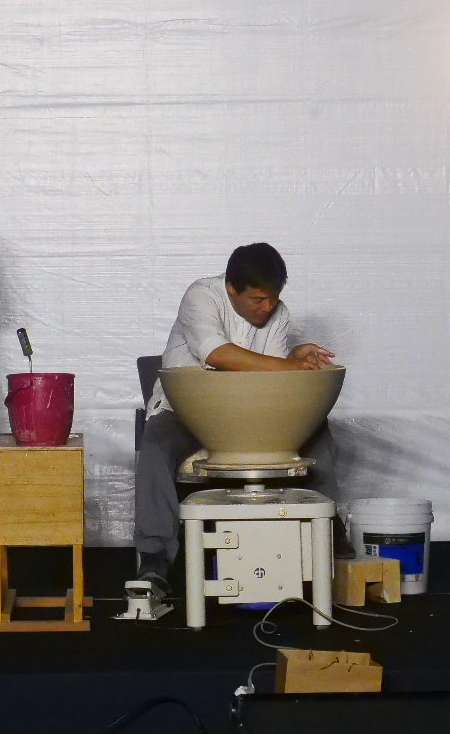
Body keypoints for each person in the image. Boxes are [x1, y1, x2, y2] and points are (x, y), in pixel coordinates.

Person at [132, 243, 335, 594]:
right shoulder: (201, 296)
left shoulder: (278, 313)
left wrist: (291, 360)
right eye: (258, 299)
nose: (267, 307)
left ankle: (329, 536)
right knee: (155, 444)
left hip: (248, 414)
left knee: (318, 430)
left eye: (273, 297)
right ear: (230, 288)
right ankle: (155, 558)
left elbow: (271, 377)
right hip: (187, 413)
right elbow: (216, 353)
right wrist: (287, 364)